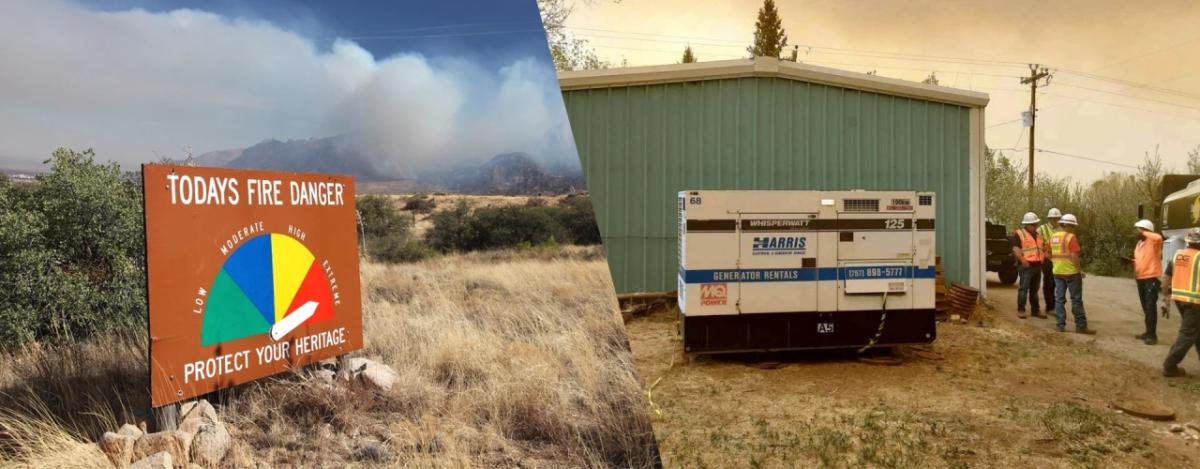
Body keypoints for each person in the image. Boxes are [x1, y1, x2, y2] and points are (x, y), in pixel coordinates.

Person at [1161, 228, 1200, 377]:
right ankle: (1170, 365)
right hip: (1195, 301)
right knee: (1188, 334)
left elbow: (1165, 278)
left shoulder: (1177, 255)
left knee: (1196, 331)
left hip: (1179, 299)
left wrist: (1165, 299)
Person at [1048, 214, 1095, 334]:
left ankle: (1060, 325)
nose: (1074, 228)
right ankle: (1081, 326)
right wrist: (1079, 270)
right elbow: (1074, 256)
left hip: (1058, 272)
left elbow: (1047, 253)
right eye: (1073, 226)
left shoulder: (1053, 236)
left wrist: (1055, 262)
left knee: (1059, 299)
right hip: (1071, 272)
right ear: (1068, 225)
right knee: (1076, 300)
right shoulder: (1071, 237)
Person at [1132, 219, 1163, 345]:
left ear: (1146, 231)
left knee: (1150, 307)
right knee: (1146, 307)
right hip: (1141, 277)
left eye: (1138, 229)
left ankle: (1152, 336)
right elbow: (1139, 259)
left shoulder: (1153, 240)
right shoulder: (1139, 243)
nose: (1136, 232)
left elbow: (1158, 237)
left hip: (1151, 277)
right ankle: (1148, 331)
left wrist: (1144, 232)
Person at [1010, 212, 1047, 318]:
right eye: (1033, 224)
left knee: (1034, 290)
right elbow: (1015, 248)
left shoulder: (1039, 235)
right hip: (1026, 266)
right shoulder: (1019, 234)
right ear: (1026, 224)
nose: (1035, 226)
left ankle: (1035, 310)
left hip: (1037, 265)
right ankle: (1021, 310)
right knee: (1024, 288)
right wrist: (1022, 260)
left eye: (1036, 224)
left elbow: (1041, 248)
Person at [1038, 208, 1062, 312]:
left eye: (1057, 218)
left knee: (1056, 283)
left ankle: (1054, 304)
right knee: (1048, 282)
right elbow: (1038, 244)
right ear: (1049, 218)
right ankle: (1049, 306)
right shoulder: (1042, 229)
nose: (1055, 220)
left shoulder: (1062, 229)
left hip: (1059, 260)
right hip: (1047, 259)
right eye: (1053, 218)